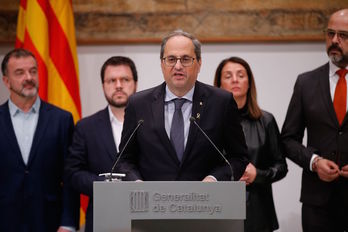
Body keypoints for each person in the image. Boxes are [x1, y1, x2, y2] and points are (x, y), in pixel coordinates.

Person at [117, 30, 248, 182]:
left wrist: (214, 179)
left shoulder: (221, 102)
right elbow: (124, 160)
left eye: (186, 59)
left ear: (199, 64)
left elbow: (239, 157)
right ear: (162, 64)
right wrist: (137, 184)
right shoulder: (138, 104)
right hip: (152, 201)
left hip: (205, 201)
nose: (178, 66)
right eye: (171, 59)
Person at [281, 9, 348, 232]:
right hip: (317, 203)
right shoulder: (306, 82)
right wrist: (314, 161)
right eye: (330, 34)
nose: (334, 41)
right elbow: (288, 140)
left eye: (343, 35)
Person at [0, 48, 79, 231]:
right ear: (6, 80)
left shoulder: (62, 119)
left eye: (33, 71)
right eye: (19, 72)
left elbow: (70, 176)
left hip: (49, 222)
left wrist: (67, 224)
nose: (28, 77)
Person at [214, 56, 288, 232]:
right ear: (219, 84)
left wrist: (258, 174)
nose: (235, 80)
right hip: (219, 210)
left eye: (240, 75)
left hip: (259, 213)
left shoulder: (266, 120)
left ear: (249, 82)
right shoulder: (208, 122)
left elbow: (281, 166)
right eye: (228, 76)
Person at [65, 56, 138, 232]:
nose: (118, 85)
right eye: (112, 80)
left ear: (135, 83)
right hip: (101, 219)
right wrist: (103, 185)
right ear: (103, 85)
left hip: (143, 217)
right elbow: (73, 173)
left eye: (125, 80)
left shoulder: (153, 124)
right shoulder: (85, 127)